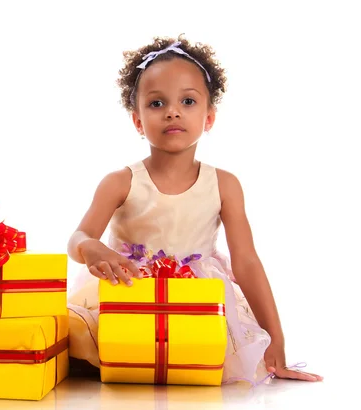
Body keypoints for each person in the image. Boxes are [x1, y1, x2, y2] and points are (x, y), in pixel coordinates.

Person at [66, 35, 322, 384]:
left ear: (209, 116)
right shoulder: (120, 182)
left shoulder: (224, 185)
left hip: (195, 295)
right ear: (137, 121)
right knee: (98, 343)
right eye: (156, 103)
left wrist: (276, 337)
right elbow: (78, 238)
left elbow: (246, 261)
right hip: (133, 289)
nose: (172, 111)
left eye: (187, 101)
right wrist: (90, 246)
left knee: (197, 357)